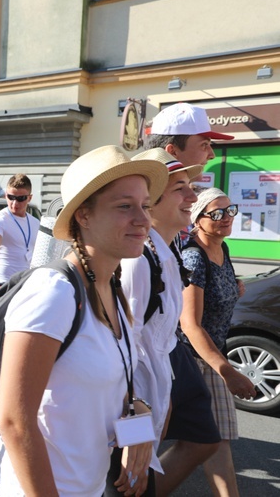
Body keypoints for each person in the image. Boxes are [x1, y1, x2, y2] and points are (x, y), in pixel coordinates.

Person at [0, 145, 168, 496]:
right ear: (84, 216)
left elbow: (115, 383)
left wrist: (139, 424)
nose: (143, 219)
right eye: (124, 206)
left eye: (145, 206)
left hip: (88, 486)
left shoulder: (110, 288)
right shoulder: (53, 292)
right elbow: (14, 421)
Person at [115, 148, 219, 496]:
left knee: (141, 479)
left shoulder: (163, 250)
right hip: (135, 400)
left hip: (155, 387)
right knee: (128, 481)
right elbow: (124, 350)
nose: (193, 196)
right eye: (181, 189)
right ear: (152, 202)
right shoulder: (139, 261)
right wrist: (137, 428)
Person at [143, 103, 235, 494]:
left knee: (204, 437)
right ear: (173, 152)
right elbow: (130, 338)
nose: (211, 154)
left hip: (166, 360)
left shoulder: (166, 240)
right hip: (155, 366)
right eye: (205, 144)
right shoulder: (139, 245)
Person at [180, 188, 255, 497]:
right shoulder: (194, 256)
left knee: (208, 439)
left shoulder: (222, 250)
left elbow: (215, 296)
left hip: (210, 355)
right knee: (212, 438)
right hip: (193, 358)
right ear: (198, 219)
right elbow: (190, 323)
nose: (227, 218)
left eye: (230, 210)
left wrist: (232, 288)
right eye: (217, 213)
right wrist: (228, 372)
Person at [0, 173, 40, 286]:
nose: (15, 203)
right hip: (4, 283)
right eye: (11, 197)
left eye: (21, 198)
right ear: (6, 195)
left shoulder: (35, 223)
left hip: (28, 284)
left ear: (29, 198)